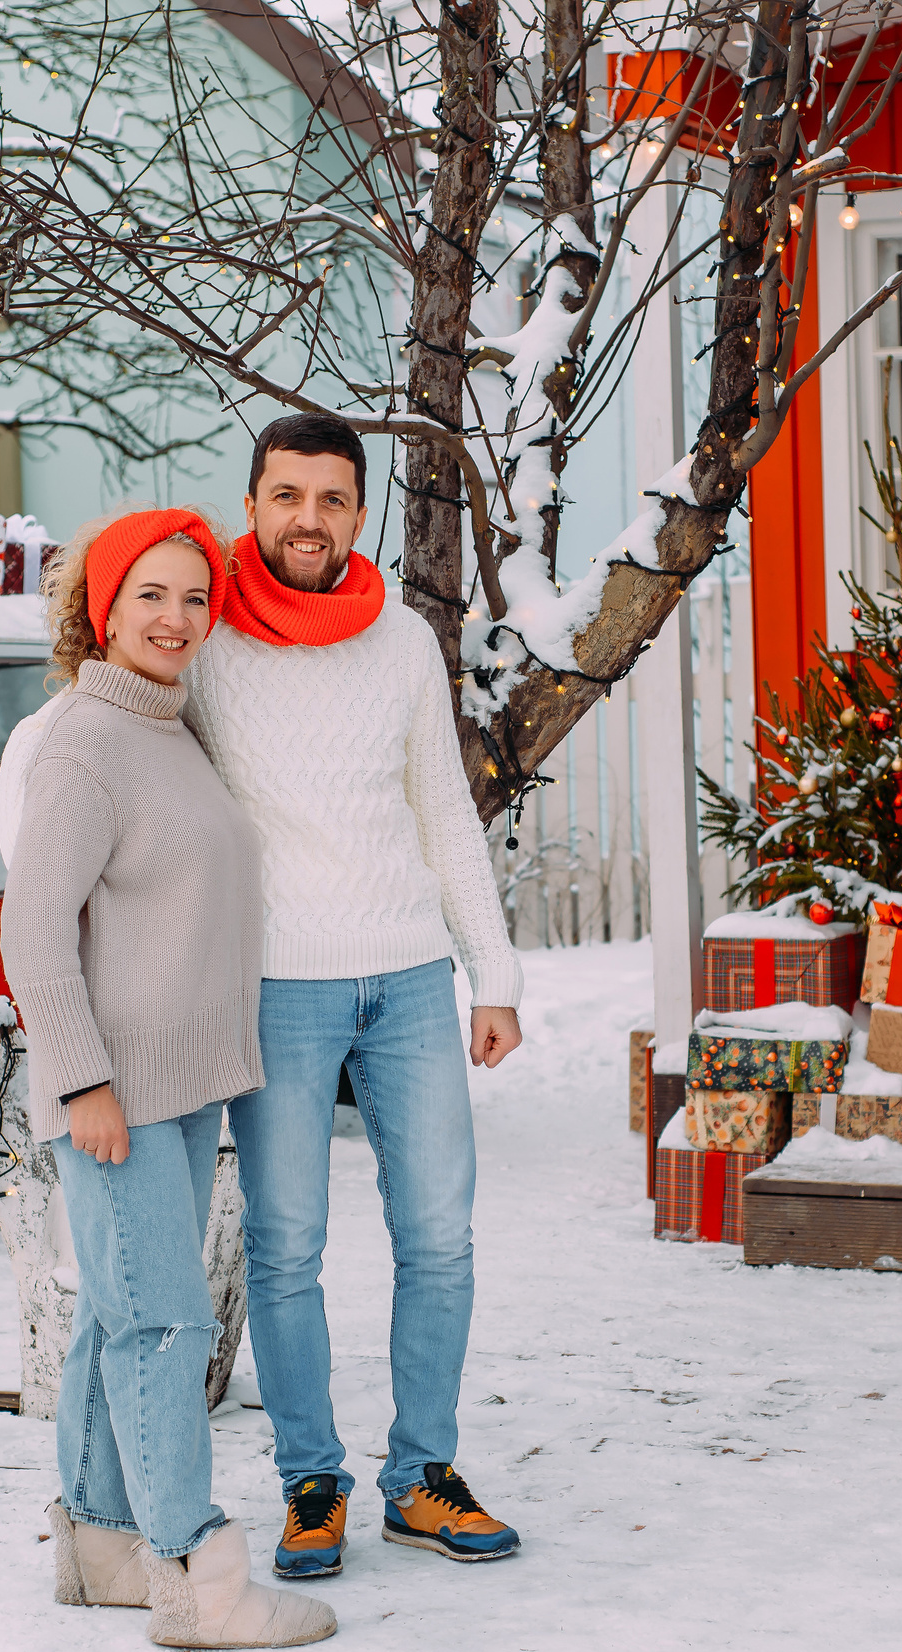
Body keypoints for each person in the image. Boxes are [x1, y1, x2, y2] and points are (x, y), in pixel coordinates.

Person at [181, 414, 527, 1579]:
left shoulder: (401, 640)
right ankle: (309, 1480)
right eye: (287, 496)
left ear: (359, 512)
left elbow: (441, 806)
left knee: (439, 1236)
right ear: (252, 503)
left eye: (331, 499)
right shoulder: (207, 636)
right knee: (285, 1247)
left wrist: (496, 972)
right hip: (276, 981)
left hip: (409, 975)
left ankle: (422, 1475)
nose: (308, 520)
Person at [0, 508, 335, 1651]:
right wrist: (85, 1082)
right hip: (117, 1095)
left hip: (182, 1086)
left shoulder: (170, 730)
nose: (176, 618)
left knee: (119, 1311)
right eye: (151, 594)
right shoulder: (81, 742)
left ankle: (103, 1546)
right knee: (164, 1323)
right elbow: (34, 934)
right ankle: (197, 1574)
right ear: (101, 604)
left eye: (195, 598)